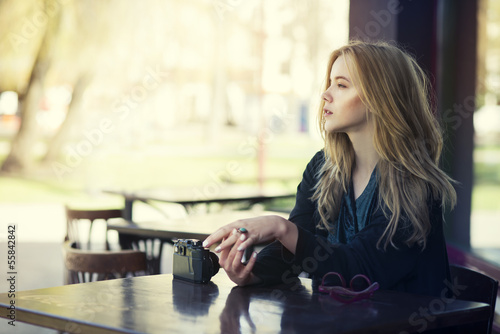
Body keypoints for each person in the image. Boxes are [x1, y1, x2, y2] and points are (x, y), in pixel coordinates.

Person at [202, 40, 457, 297]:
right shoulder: (323, 167)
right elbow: (295, 252)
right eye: (330, 82)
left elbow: (360, 270)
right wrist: (252, 272)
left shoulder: (415, 183)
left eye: (342, 85)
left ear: (379, 98)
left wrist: (281, 228)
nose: (326, 94)